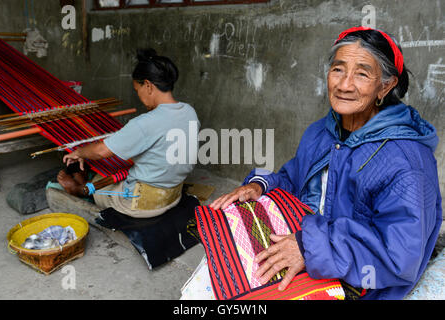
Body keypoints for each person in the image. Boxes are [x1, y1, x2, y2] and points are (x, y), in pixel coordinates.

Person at [206, 26, 442, 300]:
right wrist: (261, 185)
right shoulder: (321, 132)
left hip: (364, 282)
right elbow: (294, 180)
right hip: (311, 248)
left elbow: (399, 257)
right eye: (338, 69)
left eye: (362, 73)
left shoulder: (406, 161)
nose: (344, 84)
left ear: (385, 85)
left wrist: (310, 248)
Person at [58, 48, 199, 218]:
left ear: (148, 85)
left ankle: (79, 189)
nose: (138, 96)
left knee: (99, 181)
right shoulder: (189, 112)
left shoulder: (145, 122)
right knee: (121, 171)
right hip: (172, 197)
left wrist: (80, 152)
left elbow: (101, 151)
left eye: (137, 90)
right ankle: (85, 183)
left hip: (140, 206)